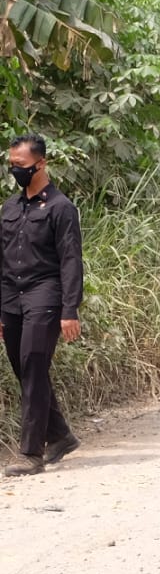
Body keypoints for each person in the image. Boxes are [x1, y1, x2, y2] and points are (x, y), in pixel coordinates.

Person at [1, 135, 83, 477]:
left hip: (45, 295)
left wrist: (69, 309)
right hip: (11, 296)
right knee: (24, 371)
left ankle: (31, 453)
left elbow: (70, 261)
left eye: (20, 165)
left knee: (34, 368)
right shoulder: (9, 207)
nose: (14, 171)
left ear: (41, 163)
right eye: (11, 165)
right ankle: (61, 435)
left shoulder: (61, 208)